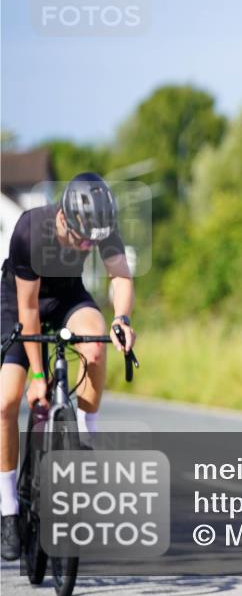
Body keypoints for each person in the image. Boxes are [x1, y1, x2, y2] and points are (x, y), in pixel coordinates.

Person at [0, 173, 137, 560]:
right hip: (19, 303)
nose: (89, 244)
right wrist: (38, 377)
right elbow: (29, 310)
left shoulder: (101, 224)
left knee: (96, 348)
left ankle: (84, 436)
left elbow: (120, 276)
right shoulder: (32, 230)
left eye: (95, 238)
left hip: (67, 298)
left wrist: (121, 320)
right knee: (6, 402)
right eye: (84, 239)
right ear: (64, 217)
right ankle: (8, 507)